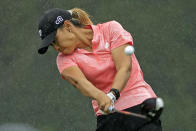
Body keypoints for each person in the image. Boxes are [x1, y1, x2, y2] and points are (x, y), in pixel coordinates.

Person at [37, 8, 162, 131]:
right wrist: (100, 96)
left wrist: (113, 94)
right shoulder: (63, 59)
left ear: (68, 26)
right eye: (52, 45)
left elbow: (124, 68)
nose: (56, 47)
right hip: (109, 119)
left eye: (55, 40)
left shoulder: (110, 29)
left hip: (141, 106)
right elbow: (79, 82)